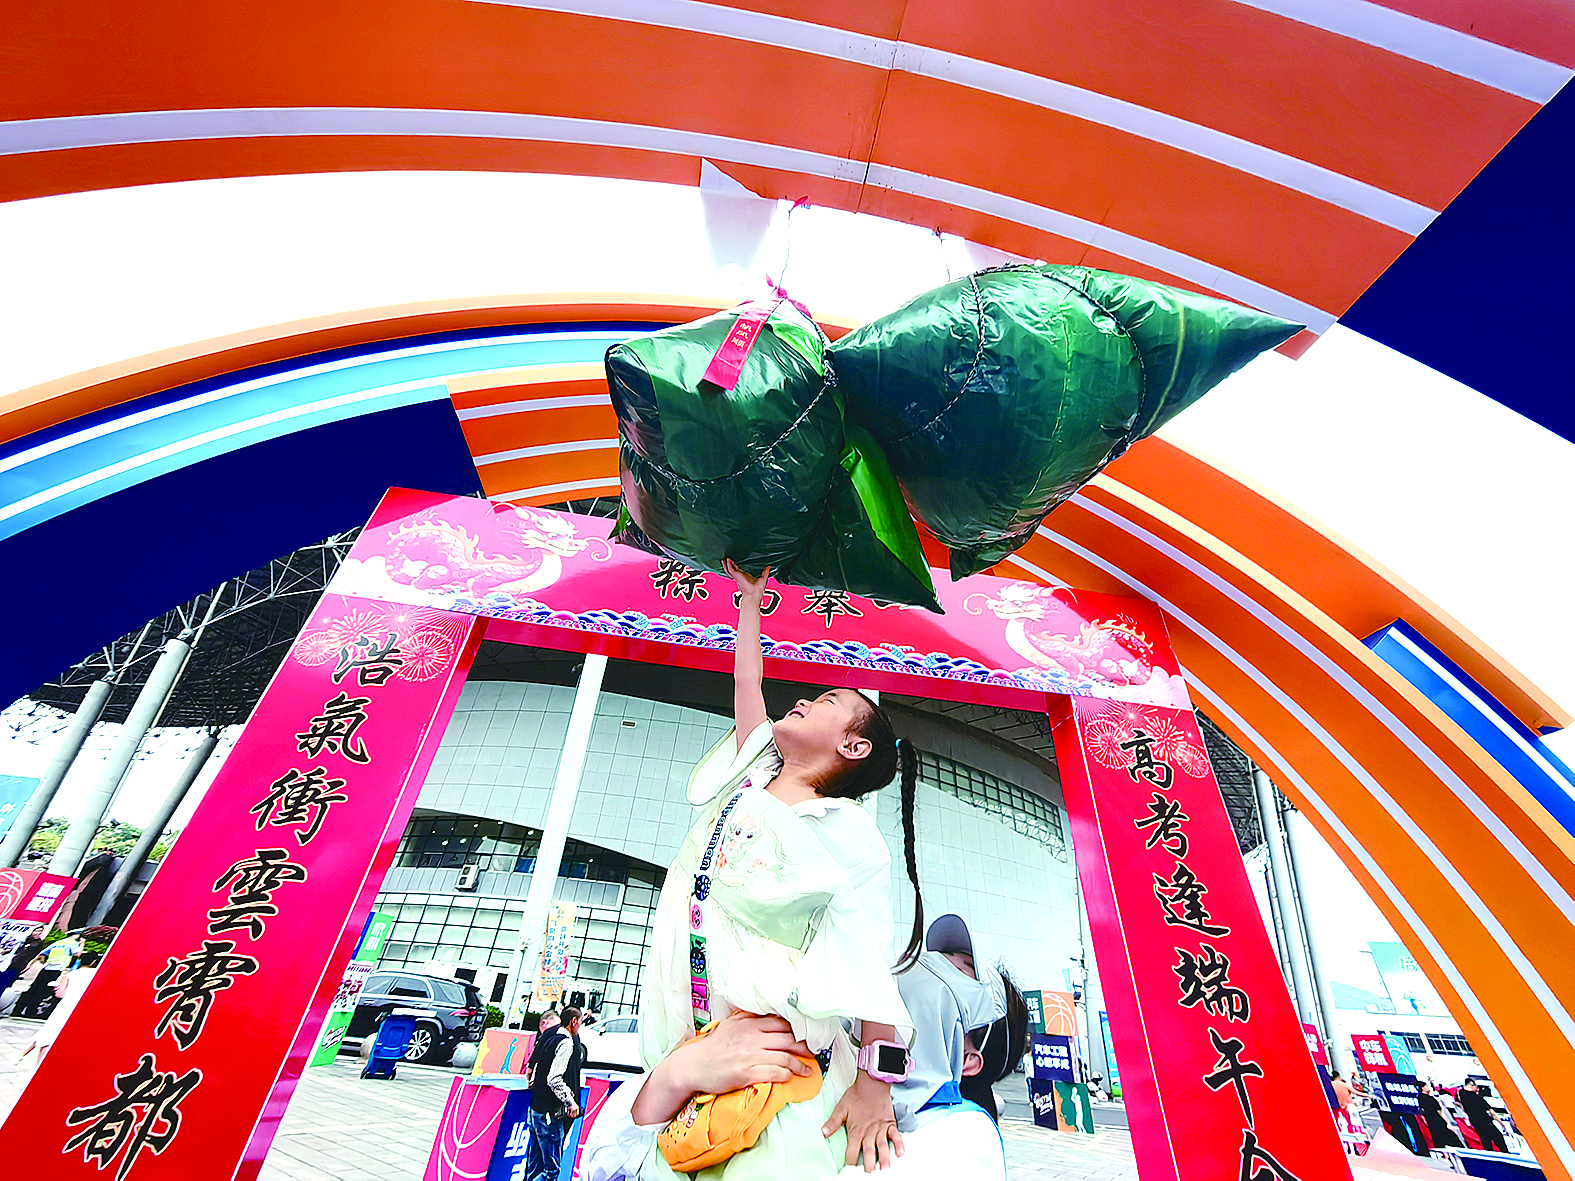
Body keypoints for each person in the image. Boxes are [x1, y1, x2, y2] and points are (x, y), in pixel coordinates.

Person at [635, 561, 923, 1178]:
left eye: (826, 702)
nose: (804, 700)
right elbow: (749, 683)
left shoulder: (847, 832)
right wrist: (749, 601)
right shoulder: (751, 778)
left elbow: (869, 959)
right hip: (701, 1050)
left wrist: (876, 1087)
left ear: (853, 747)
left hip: (781, 1068)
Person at [525, 1004, 588, 1181]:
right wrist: (570, 1101)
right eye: (580, 1022)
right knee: (551, 1170)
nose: (580, 1026)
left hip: (536, 1108)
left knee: (534, 1164)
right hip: (550, 1113)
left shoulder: (549, 1037)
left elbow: (533, 1070)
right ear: (573, 1021)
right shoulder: (566, 1043)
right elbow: (554, 1079)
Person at [20, 951, 101, 1066]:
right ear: (94, 962)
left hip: (65, 1006)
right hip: (84, 1007)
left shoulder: (70, 974)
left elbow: (59, 994)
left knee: (49, 1033)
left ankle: (37, 1063)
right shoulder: (97, 974)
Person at [13, 930, 83, 1019]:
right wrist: (82, 944)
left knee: (34, 988)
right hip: (57, 969)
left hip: (46, 968)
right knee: (43, 991)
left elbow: (42, 954)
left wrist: (44, 961)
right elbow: (77, 954)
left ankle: (17, 1010)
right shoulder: (73, 943)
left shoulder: (59, 942)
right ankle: (30, 1011)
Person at [0, 924, 47, 1008]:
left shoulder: (38, 943)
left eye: (40, 931)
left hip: (19, 965)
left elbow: (35, 955)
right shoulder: (23, 939)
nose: (38, 933)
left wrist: (29, 965)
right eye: (37, 931)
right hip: (7, 962)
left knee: (5, 983)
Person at [1459, 1080, 1507, 1152]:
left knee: (1485, 1139)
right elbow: (1491, 1112)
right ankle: (1505, 1151)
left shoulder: (1461, 1094)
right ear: (1473, 1086)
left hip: (1475, 1121)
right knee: (1498, 1137)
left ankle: (1489, 1152)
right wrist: (1502, 1123)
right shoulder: (1477, 1098)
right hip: (1485, 1120)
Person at [1420, 1083, 1463, 1149]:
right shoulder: (1430, 1099)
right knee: (1451, 1138)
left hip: (1430, 1123)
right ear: (1423, 1088)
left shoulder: (1419, 1098)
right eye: (1427, 1086)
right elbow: (1439, 1111)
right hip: (1438, 1121)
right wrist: (1448, 1122)